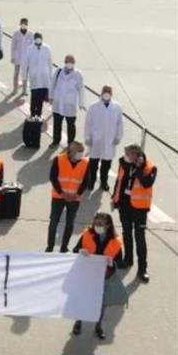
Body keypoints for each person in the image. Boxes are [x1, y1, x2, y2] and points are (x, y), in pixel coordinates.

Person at [71, 212, 123, 340]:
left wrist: (112, 263)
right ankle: (78, 322)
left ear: (108, 225)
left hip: (105, 277)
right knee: (84, 300)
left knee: (101, 303)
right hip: (88, 274)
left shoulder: (115, 241)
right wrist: (80, 251)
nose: (97, 226)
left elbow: (120, 262)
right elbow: (75, 250)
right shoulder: (86, 235)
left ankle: (98, 326)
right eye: (95, 223)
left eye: (100, 224)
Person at [112, 144, 157, 282]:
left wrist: (138, 168)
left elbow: (147, 183)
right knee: (127, 233)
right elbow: (119, 182)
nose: (127, 156)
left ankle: (142, 269)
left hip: (139, 209)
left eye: (129, 154)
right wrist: (115, 199)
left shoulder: (150, 167)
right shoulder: (125, 164)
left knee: (139, 237)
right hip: (125, 205)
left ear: (137, 155)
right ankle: (128, 260)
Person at [46, 141, 89, 252]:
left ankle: (64, 247)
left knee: (70, 223)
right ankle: (50, 246)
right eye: (79, 151)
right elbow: (53, 177)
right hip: (58, 196)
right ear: (71, 150)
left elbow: (85, 181)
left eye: (82, 151)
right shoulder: (59, 159)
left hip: (74, 198)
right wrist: (62, 193)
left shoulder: (85, 163)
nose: (81, 153)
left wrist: (77, 194)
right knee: (54, 222)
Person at [84, 86, 124, 191]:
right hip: (95, 140)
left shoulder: (117, 107)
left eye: (108, 92)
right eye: (105, 91)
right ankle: (91, 181)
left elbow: (120, 123)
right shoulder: (93, 107)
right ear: (101, 93)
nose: (107, 94)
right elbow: (88, 123)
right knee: (93, 164)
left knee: (106, 165)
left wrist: (118, 136)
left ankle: (103, 182)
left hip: (109, 141)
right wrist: (87, 137)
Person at [49, 55, 85, 147]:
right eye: (68, 61)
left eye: (71, 62)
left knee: (71, 125)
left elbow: (81, 89)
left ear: (74, 63)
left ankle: (70, 143)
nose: (69, 64)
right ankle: (56, 141)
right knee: (57, 123)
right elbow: (52, 84)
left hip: (70, 104)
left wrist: (81, 103)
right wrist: (51, 96)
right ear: (65, 62)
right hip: (58, 102)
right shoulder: (58, 71)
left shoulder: (78, 74)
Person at [22, 32, 53, 118]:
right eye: (36, 38)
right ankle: (32, 113)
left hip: (44, 78)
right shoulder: (29, 49)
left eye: (39, 38)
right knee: (34, 97)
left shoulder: (47, 48)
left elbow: (50, 63)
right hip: (34, 78)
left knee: (41, 98)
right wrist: (24, 76)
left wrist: (50, 77)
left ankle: (39, 114)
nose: (38, 40)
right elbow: (25, 64)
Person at [10, 18, 33, 94]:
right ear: (20, 24)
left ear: (27, 24)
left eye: (25, 24)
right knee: (16, 73)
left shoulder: (30, 34)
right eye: (22, 23)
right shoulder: (16, 33)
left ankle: (24, 90)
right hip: (18, 56)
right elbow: (13, 46)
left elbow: (32, 46)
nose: (23, 25)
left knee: (25, 74)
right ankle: (15, 89)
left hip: (26, 58)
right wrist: (13, 56)